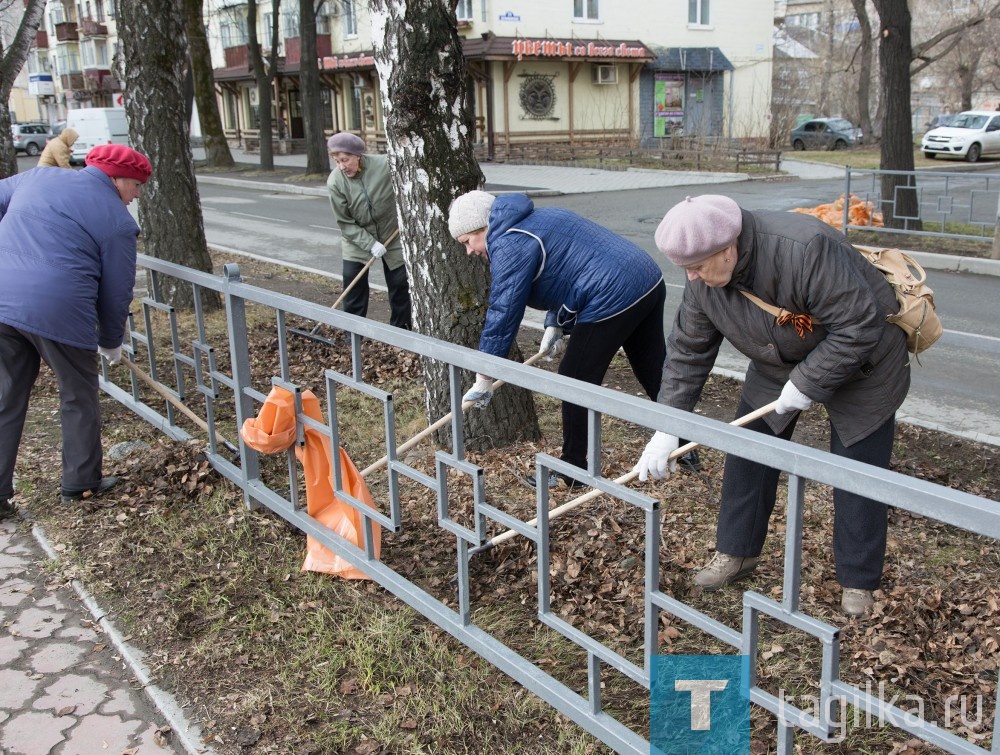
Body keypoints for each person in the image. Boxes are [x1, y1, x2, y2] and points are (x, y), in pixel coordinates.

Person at [634, 194, 911, 617]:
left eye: (697, 266)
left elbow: (858, 324)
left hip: (865, 363)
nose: (690, 277)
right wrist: (666, 426)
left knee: (857, 470)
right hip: (777, 361)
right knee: (748, 452)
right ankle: (737, 553)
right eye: (684, 268)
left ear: (728, 249)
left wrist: (809, 381)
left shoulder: (805, 249)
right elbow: (689, 351)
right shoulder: (703, 283)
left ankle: (858, 581)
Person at [447, 190, 698, 489]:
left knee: (574, 380)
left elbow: (503, 310)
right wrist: (555, 324)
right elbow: (567, 269)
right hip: (645, 279)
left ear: (482, 227)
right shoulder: (537, 219)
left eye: (467, 242)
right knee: (652, 369)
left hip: (614, 293)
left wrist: (484, 374)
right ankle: (686, 450)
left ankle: (573, 471)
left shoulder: (508, 242)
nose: (469, 252)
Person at [0, 143, 152, 517]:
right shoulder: (117, 223)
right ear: (119, 180)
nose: (135, 197)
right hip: (60, 310)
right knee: (78, 394)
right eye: (136, 187)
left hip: (2, 299)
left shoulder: (37, 176)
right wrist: (111, 342)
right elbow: (118, 292)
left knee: (6, 395)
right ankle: (80, 484)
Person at [326, 132, 411, 330]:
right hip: (357, 236)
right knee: (353, 282)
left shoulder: (384, 165)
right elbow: (345, 223)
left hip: (392, 233)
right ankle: (353, 333)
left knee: (400, 283)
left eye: (345, 160)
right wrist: (370, 243)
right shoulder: (336, 182)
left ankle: (401, 330)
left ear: (358, 155)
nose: (342, 166)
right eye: (337, 161)